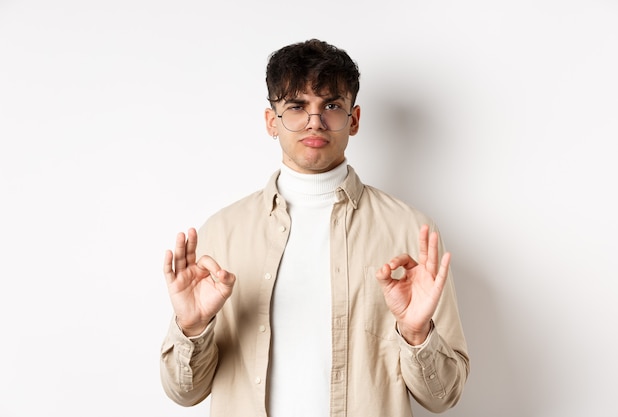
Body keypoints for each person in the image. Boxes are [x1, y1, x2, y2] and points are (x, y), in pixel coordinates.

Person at [160, 38, 469, 417]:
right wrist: (192, 327)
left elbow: (443, 397)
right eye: (297, 107)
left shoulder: (410, 230)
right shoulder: (222, 233)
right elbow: (184, 393)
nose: (315, 121)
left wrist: (418, 334)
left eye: (332, 106)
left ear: (353, 120)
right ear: (271, 121)